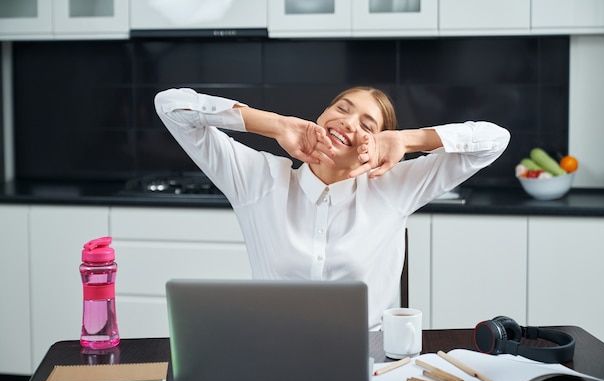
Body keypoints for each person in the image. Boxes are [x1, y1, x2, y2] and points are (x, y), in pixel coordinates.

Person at [154, 86, 510, 329]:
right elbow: (170, 105)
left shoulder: (394, 187)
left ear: (378, 146)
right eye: (341, 109)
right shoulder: (258, 179)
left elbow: (493, 140)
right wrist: (275, 124)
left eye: (367, 125)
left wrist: (407, 139)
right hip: (277, 357)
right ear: (323, 114)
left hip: (372, 363)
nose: (347, 122)